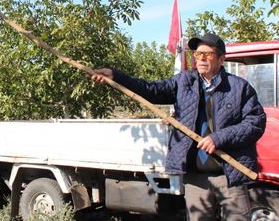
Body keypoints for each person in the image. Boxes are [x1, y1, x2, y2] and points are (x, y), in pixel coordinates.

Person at [92, 33, 266, 220]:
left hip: (229, 174)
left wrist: (219, 138)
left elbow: (255, 123)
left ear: (221, 59)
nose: (201, 59)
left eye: (207, 54)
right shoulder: (184, 82)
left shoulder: (239, 87)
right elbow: (150, 90)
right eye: (198, 54)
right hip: (195, 176)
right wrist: (116, 77)